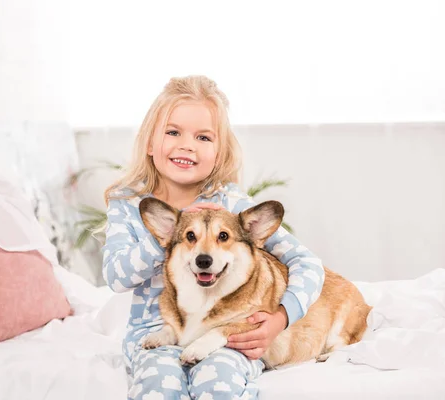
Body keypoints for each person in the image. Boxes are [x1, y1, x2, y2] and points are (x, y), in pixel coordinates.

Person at [102, 75, 325, 399]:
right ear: (150, 143)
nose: (187, 144)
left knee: (218, 382)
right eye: (173, 132)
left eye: (203, 137)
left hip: (226, 333)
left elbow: (307, 263)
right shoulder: (128, 204)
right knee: (157, 385)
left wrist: (281, 317)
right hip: (156, 336)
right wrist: (167, 233)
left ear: (219, 153)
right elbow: (116, 276)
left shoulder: (232, 204)